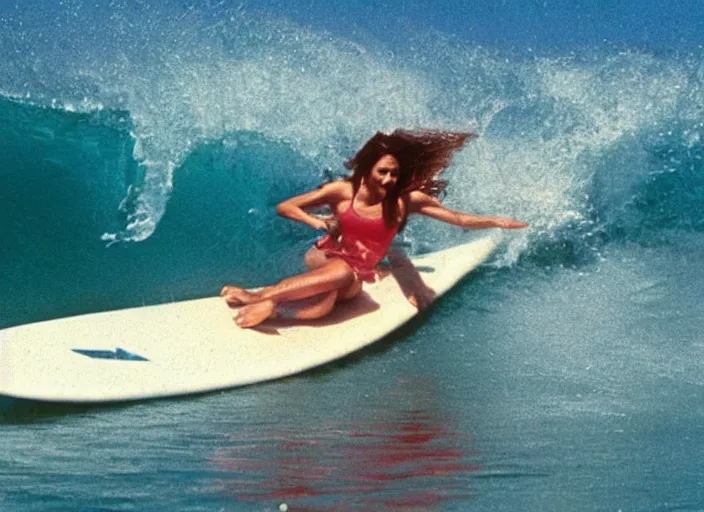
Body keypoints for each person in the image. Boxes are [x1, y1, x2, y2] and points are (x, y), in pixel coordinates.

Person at [221, 129, 528, 328]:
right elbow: (286, 207)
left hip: (357, 273)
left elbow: (459, 219)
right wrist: (317, 222)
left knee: (325, 304)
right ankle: (260, 295)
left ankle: (275, 310)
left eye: (395, 174)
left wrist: (496, 221)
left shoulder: (406, 201)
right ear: (367, 169)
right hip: (326, 256)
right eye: (382, 172)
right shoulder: (342, 191)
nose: (388, 180)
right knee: (341, 272)